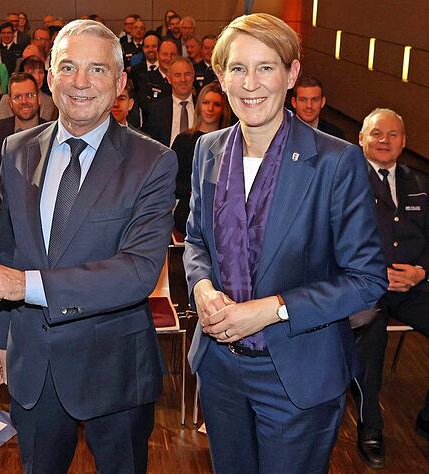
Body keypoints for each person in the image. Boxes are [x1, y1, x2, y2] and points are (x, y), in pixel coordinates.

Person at [183, 13, 387, 474]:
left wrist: (272, 309)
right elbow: (195, 242)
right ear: (220, 76)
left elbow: (367, 281)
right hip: (219, 368)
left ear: (291, 74)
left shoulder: (336, 161)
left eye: (266, 67)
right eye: (238, 68)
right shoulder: (207, 150)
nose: (250, 83)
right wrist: (202, 287)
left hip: (297, 373)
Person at [0, 19, 175, 473]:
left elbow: (138, 272)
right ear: (49, 76)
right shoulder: (17, 149)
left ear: (120, 84)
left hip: (114, 368)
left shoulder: (153, 161)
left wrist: (26, 285)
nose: (80, 82)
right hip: (33, 363)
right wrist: (2, 338)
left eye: (97, 70)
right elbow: (8, 250)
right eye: (67, 67)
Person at [351, 108, 429, 469]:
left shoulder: (421, 182)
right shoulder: (345, 182)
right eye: (377, 133)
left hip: (413, 285)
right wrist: (375, 272)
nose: (385, 140)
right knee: (370, 339)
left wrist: (421, 271)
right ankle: (370, 427)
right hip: (365, 285)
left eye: (393, 134)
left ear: (404, 141)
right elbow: (331, 239)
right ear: (361, 139)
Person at [171, 81, 231, 235]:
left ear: (223, 109)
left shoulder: (232, 142)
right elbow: (171, 183)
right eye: (205, 102)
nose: (210, 108)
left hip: (224, 218)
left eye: (216, 104)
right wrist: (194, 190)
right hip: (188, 216)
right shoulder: (183, 140)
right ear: (199, 106)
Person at [0, 72, 45, 208]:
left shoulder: (53, 133)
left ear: (39, 98)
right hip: (0, 209)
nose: (24, 101)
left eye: (30, 95)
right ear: (10, 102)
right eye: (18, 97)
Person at [142, 56, 196, 146]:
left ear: (193, 77)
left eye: (187, 74)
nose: (183, 79)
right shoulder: (156, 110)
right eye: (177, 75)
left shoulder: (203, 106)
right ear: (169, 79)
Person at [0, 55, 57, 122]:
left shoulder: (48, 101)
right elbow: (0, 126)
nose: (37, 77)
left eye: (40, 72)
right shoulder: (6, 100)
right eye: (31, 73)